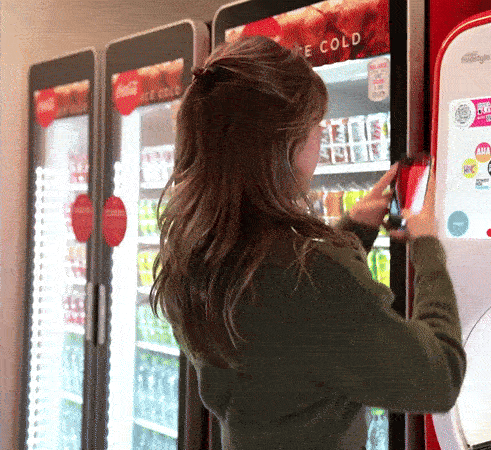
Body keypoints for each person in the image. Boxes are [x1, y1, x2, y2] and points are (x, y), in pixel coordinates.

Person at [150, 35, 466, 449]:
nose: (321, 137)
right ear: (283, 148)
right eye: (316, 126)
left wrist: (353, 230)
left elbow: (292, 331)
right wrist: (428, 247)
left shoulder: (194, 249)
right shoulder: (311, 277)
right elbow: (439, 377)